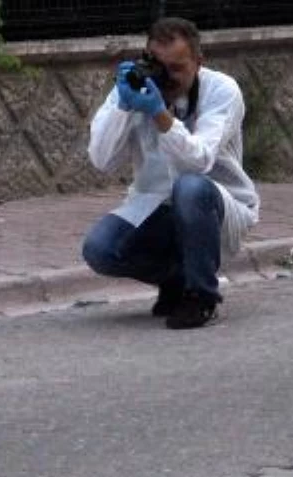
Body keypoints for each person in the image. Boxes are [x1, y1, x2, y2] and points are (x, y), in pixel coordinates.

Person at [81, 17, 260, 329]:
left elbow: (200, 161)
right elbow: (101, 160)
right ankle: (177, 279)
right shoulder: (139, 86)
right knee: (100, 249)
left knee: (189, 188)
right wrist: (122, 105)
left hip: (216, 206)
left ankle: (201, 296)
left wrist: (159, 115)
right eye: (160, 66)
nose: (168, 78)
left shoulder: (221, 91)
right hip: (155, 204)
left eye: (177, 68)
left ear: (199, 62)